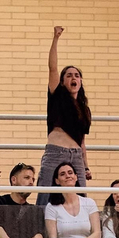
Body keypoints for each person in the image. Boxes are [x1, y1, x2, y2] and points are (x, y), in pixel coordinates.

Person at [38, 26, 89, 205]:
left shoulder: (83, 108)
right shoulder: (57, 96)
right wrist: (55, 38)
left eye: (76, 75)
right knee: (45, 194)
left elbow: (82, 140)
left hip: (75, 155)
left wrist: (86, 165)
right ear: (62, 80)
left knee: (82, 197)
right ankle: (39, 232)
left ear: (80, 81)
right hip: (55, 152)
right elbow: (52, 68)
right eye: (68, 75)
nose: (73, 78)